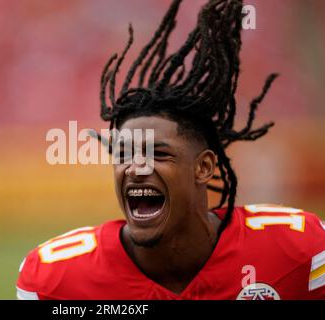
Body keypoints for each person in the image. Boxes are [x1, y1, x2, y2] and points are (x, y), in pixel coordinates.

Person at [16, 0, 325, 300]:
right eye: (123, 155)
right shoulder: (57, 280)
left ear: (203, 168)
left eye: (157, 154)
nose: (135, 168)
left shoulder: (297, 249)